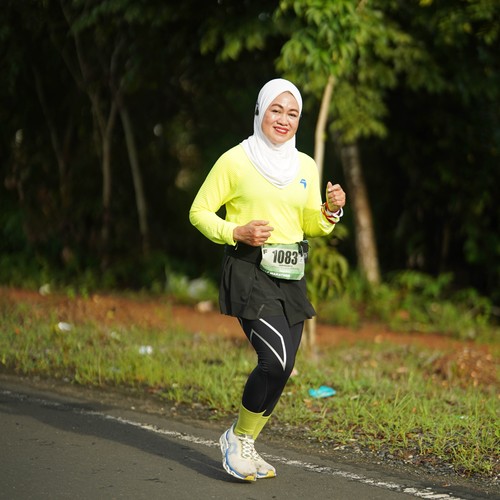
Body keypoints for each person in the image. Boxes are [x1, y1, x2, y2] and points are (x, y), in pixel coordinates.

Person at [189, 78, 346, 482]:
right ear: (260, 110)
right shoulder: (235, 160)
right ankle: (236, 438)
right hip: (248, 269)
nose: (284, 119)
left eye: (292, 113)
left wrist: (330, 211)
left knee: (286, 365)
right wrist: (235, 231)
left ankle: (245, 441)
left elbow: (307, 223)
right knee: (274, 361)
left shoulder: (305, 165)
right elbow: (199, 211)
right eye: (276, 110)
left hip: (290, 273)